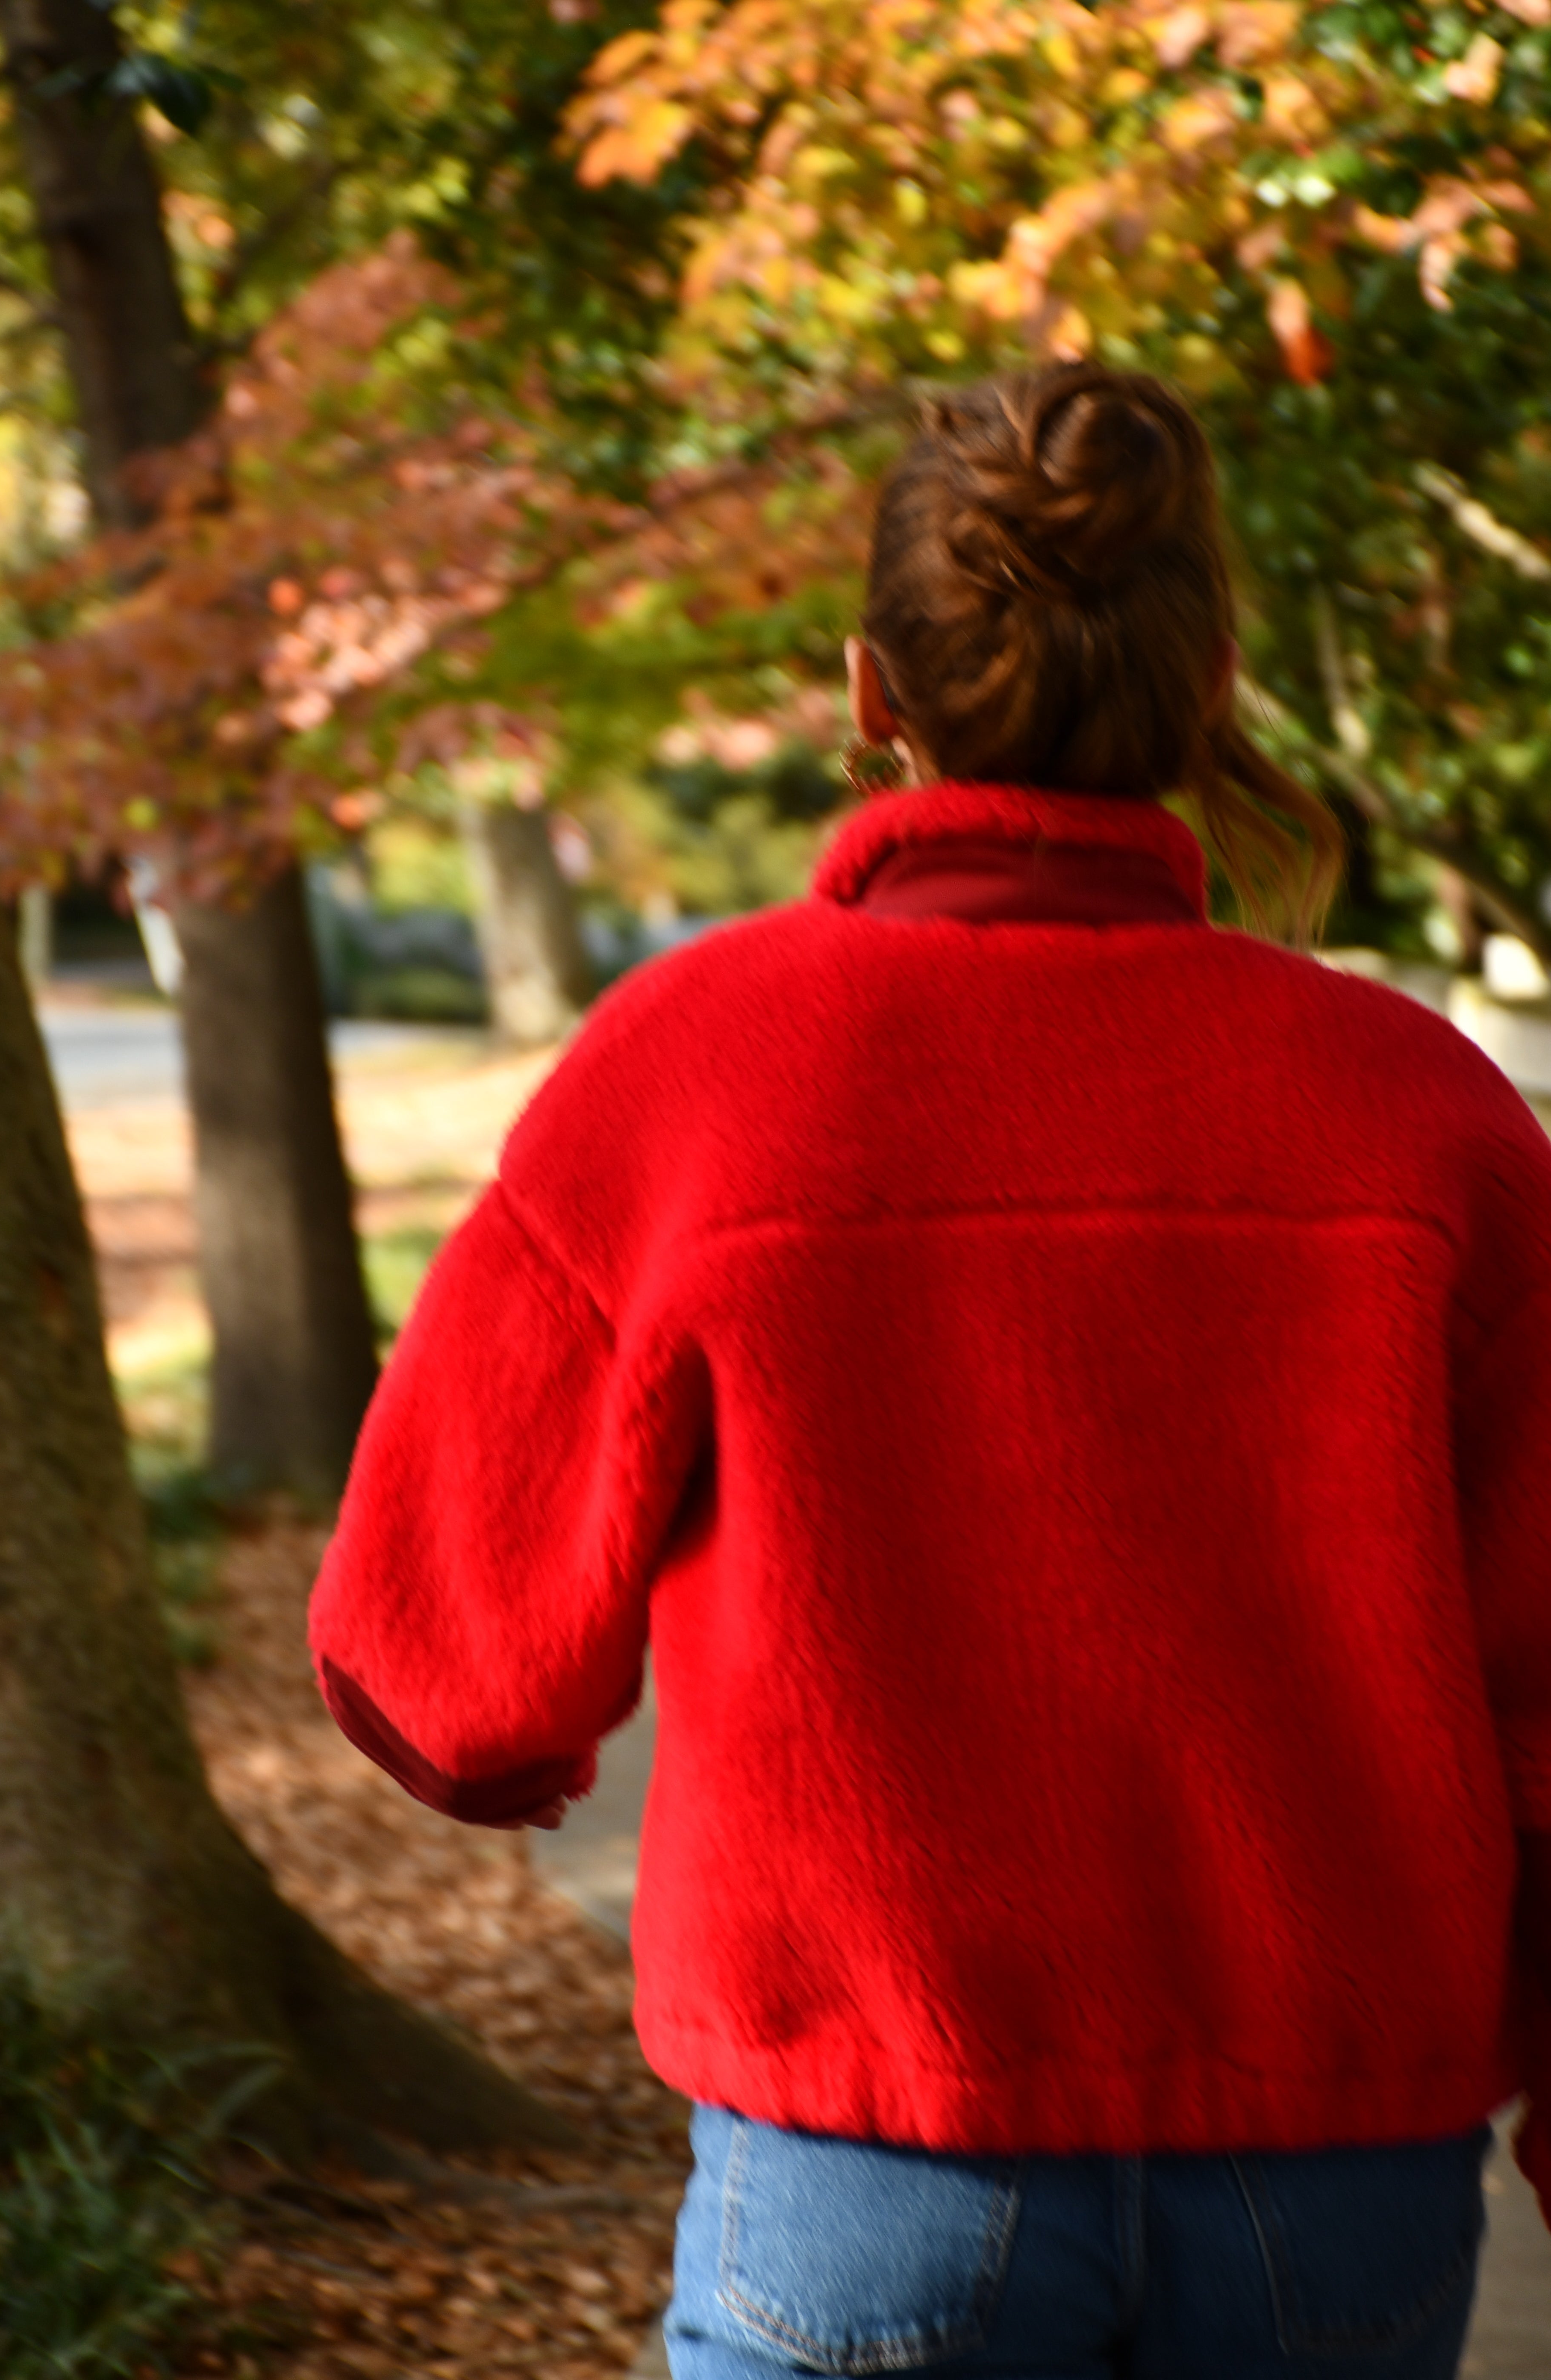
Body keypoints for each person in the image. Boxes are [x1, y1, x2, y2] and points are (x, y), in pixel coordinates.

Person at [308, 363, 1551, 2378]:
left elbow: (441, 1665)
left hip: (875, 2156)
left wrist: (528, 1745)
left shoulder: (698, 1073)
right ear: (1215, 679)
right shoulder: (1419, 1116)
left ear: (873, 689)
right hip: (1340, 2179)